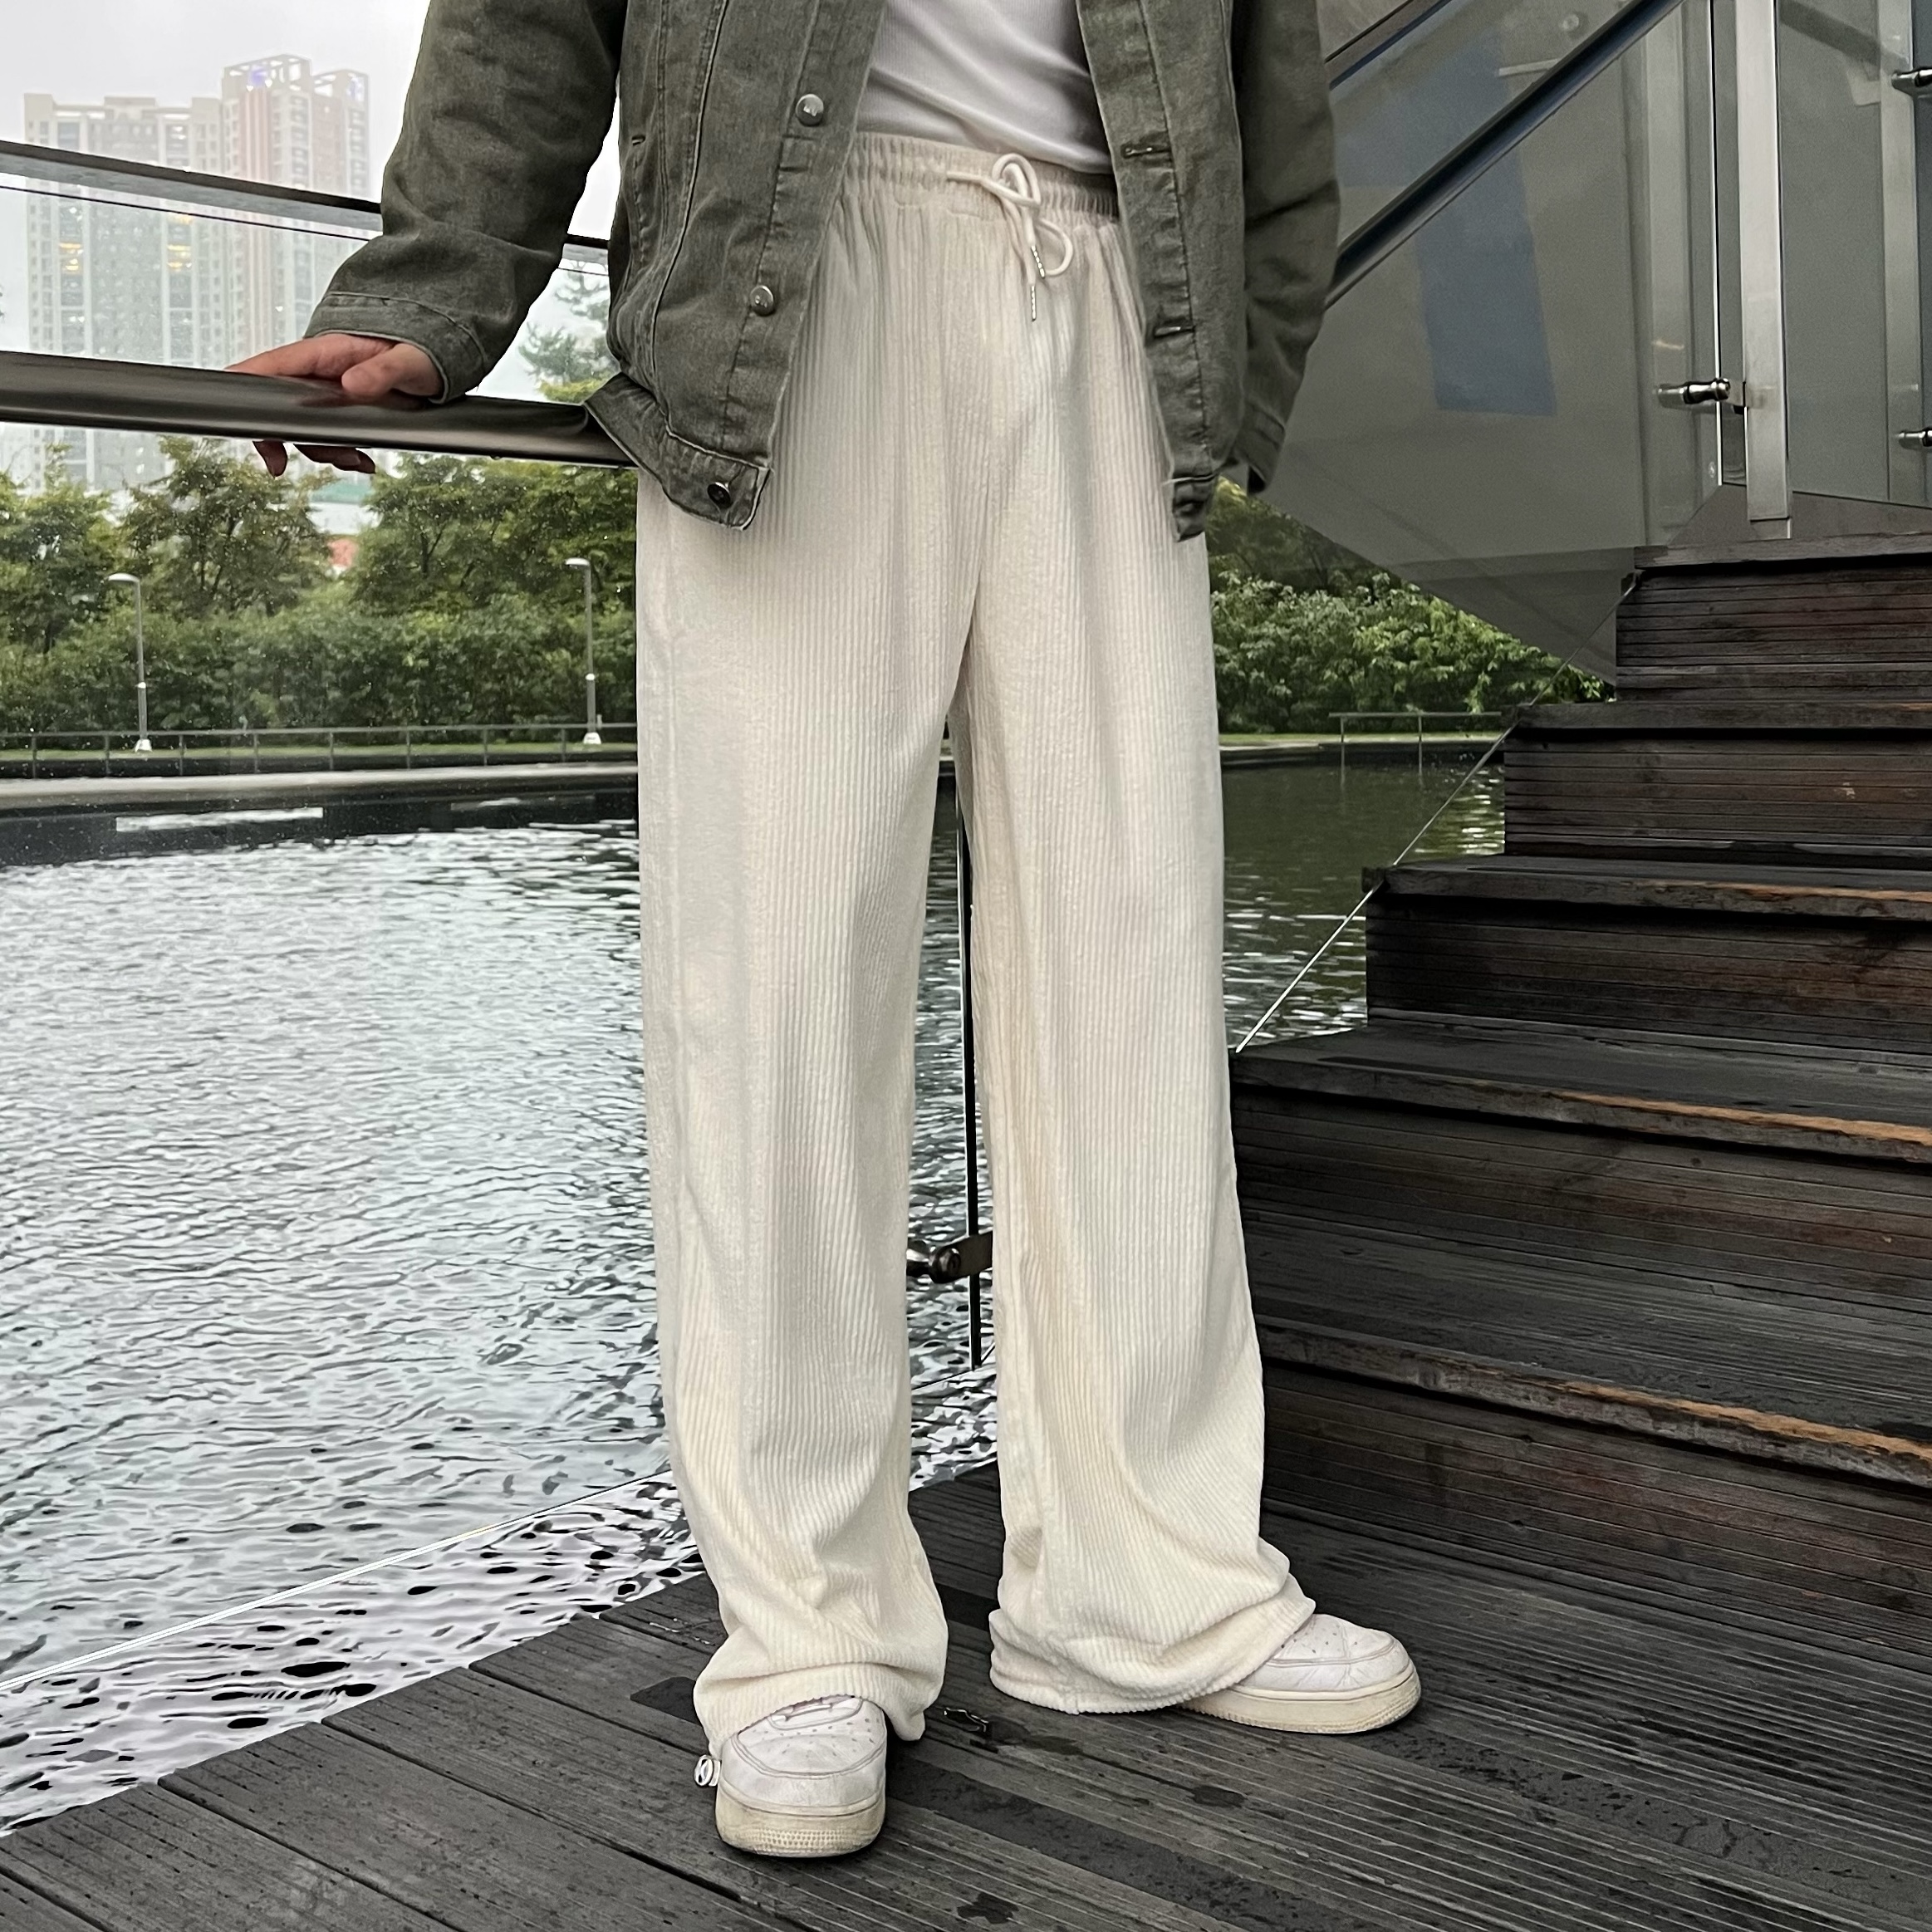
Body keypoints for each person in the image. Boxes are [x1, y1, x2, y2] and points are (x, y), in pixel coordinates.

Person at [238, 0, 1420, 1861]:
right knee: (774, 982)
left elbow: (1271, 75)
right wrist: (432, 290)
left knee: (1131, 971)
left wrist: (1235, 370)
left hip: (1122, 291)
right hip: (793, 279)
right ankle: (806, 1629)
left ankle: (1151, 1581)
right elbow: (528, 16)